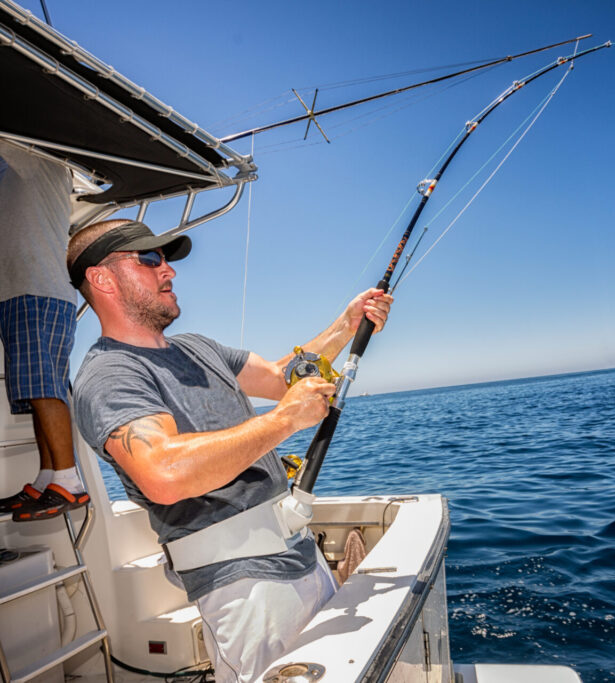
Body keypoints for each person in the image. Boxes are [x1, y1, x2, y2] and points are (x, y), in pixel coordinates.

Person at [67, 218, 392, 682]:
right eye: (151, 259)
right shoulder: (109, 376)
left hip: (299, 552)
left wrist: (347, 324)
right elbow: (163, 471)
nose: (169, 271)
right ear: (101, 278)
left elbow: (281, 379)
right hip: (241, 582)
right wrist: (282, 422)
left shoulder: (197, 348)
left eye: (167, 259)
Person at [0, 140, 90, 521]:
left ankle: (68, 482)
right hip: (32, 289)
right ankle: (50, 476)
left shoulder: (28, 149)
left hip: (33, 288)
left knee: (42, 387)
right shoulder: (28, 162)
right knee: (42, 390)